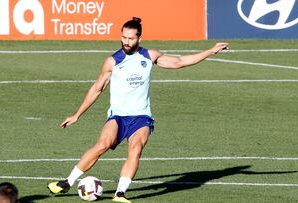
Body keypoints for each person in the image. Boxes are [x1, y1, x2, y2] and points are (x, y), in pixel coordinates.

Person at [47, 17, 228, 203]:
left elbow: (180, 61)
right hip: (117, 116)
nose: (126, 41)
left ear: (139, 38)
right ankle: (67, 182)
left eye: (131, 38)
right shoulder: (112, 61)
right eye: (124, 37)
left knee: (135, 149)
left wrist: (210, 51)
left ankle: (119, 194)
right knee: (102, 144)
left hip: (141, 117)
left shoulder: (149, 56)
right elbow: (97, 88)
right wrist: (77, 114)